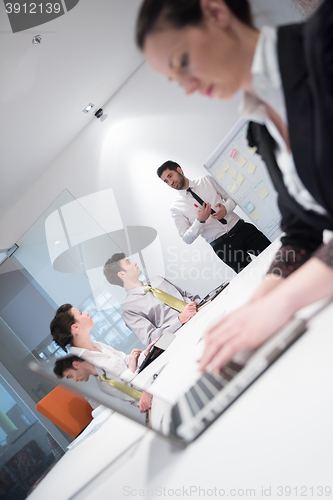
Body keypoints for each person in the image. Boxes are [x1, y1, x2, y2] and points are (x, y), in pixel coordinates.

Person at [136, 0, 333, 371]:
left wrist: (282, 302)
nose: (189, 87)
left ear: (215, 12)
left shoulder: (323, 42)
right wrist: (258, 302)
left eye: (182, 63)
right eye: (175, 81)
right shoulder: (261, 126)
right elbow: (301, 233)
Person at [157, 160, 270, 273]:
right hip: (224, 247)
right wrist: (199, 221)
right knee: (253, 278)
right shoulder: (176, 208)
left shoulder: (206, 180)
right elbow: (186, 238)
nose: (170, 182)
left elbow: (232, 197)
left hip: (243, 230)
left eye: (170, 176)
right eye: (166, 181)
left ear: (179, 170)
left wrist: (226, 208)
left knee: (279, 258)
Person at [50, 304, 153, 412]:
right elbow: (115, 395)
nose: (86, 313)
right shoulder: (79, 365)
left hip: (143, 389)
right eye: (81, 313)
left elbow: (126, 360)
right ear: (75, 327)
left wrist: (146, 354)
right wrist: (131, 369)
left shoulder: (96, 345)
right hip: (134, 408)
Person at [103, 252, 200, 345]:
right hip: (183, 336)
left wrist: (200, 303)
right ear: (122, 274)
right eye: (128, 263)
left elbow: (185, 295)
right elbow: (151, 339)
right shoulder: (128, 309)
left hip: (201, 313)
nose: (134, 263)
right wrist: (180, 320)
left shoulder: (157, 279)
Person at [53, 355, 152, 414]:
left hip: (151, 394)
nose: (74, 380)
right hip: (144, 407)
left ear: (76, 364)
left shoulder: (107, 363)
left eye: (70, 376)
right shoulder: (101, 383)